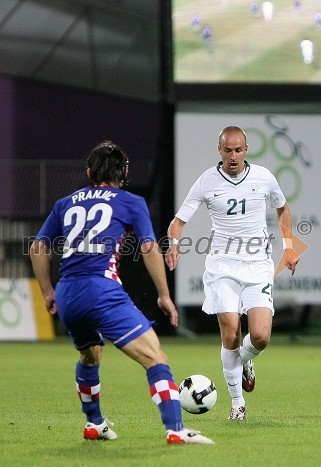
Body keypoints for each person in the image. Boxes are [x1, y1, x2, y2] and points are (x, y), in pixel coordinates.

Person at [30, 140, 214, 445]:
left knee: (90, 355)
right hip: (101, 289)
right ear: (123, 173)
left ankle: (94, 424)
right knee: (156, 357)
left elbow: (38, 247)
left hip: (67, 292)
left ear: (89, 171)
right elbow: (148, 247)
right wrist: (164, 296)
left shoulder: (66, 202)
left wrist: (48, 291)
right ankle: (176, 429)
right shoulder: (130, 201)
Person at [165, 127, 299, 420]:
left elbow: (283, 208)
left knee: (261, 337)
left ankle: (244, 363)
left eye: (238, 150)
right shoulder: (207, 181)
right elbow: (178, 222)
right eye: (228, 150)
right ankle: (237, 403)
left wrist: (289, 247)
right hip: (222, 266)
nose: (233, 156)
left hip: (257, 265)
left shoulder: (263, 177)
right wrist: (173, 244)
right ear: (219, 150)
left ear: (247, 149)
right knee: (231, 333)